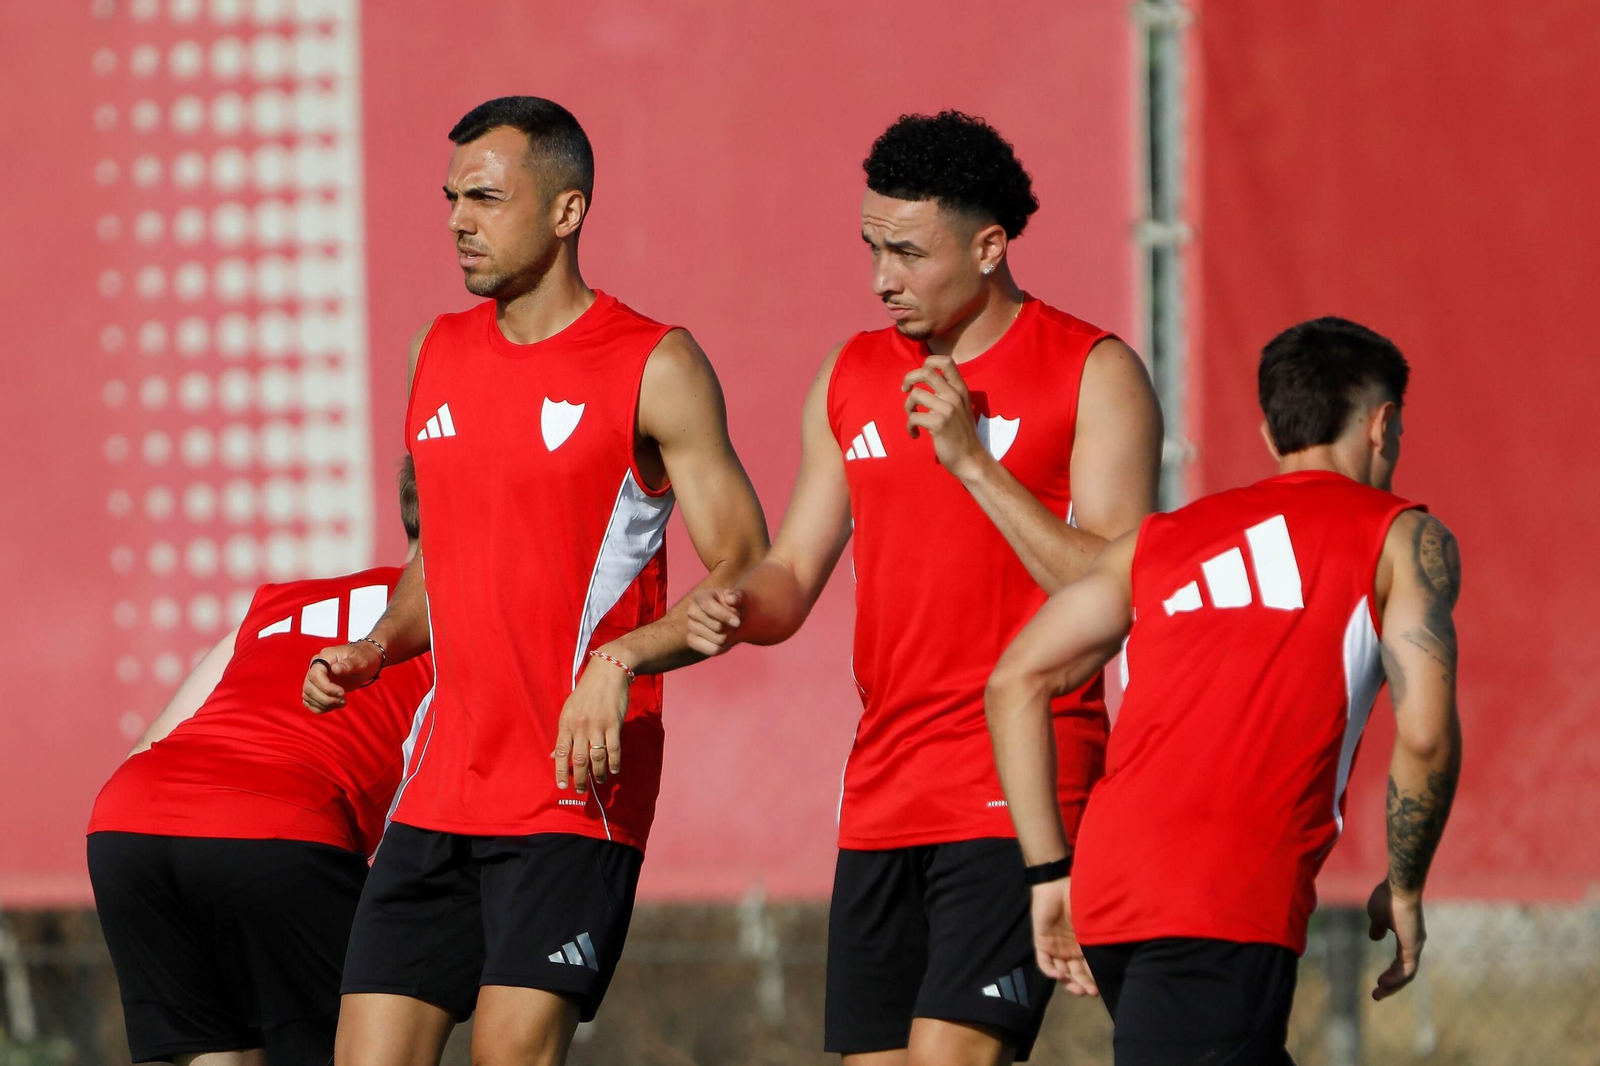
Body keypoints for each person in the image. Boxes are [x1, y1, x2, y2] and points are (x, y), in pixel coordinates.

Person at [685, 111, 1163, 1065]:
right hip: (881, 790)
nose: (881, 279)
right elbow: (794, 576)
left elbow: (1119, 590)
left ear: (989, 247)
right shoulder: (852, 374)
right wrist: (737, 608)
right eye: (871, 248)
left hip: (1017, 785)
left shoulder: (1093, 371)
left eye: (907, 252)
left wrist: (974, 465)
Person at [299, 96, 768, 1066]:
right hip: (437, 792)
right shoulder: (435, 351)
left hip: (572, 788)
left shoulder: (656, 362)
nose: (457, 221)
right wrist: (377, 645)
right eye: (449, 199)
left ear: (566, 211)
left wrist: (625, 657)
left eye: (483, 197)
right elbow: (445, 555)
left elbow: (746, 560)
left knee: (508, 1056)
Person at [985, 316, 1463, 1064]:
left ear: (1273, 438)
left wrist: (1049, 872)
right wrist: (1405, 886)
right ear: (1384, 424)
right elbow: (1426, 734)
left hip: (1111, 891)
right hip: (1219, 900)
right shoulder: (1400, 535)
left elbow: (1015, 679)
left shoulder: (1160, 539)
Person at [86, 458, 436, 1065]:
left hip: (130, 821)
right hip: (277, 828)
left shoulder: (279, 603)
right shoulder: (466, 619)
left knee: (222, 1054)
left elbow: (150, 743)